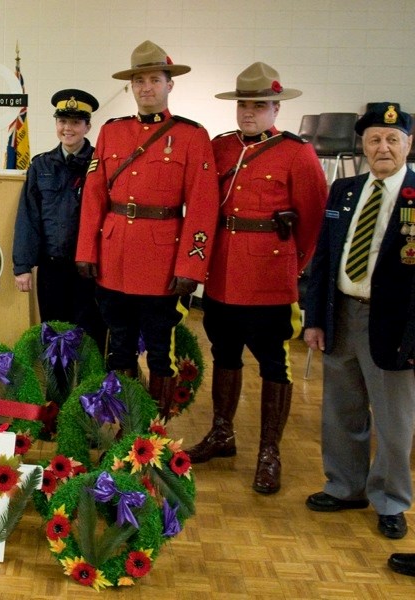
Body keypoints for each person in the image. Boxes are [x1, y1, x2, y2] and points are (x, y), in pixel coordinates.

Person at [185, 63, 327, 494]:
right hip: (223, 271)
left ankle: (270, 450)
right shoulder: (221, 147)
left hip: (269, 274)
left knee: (273, 362)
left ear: (275, 108)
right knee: (224, 353)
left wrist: (293, 266)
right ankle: (223, 433)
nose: (249, 113)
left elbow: (314, 219)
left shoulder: (296, 153)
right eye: (244, 104)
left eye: (259, 106)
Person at [75, 40, 219, 418]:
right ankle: (121, 425)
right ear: (131, 87)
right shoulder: (112, 131)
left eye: (155, 79)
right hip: (113, 256)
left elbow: (203, 208)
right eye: (139, 81)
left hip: (162, 262)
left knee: (160, 349)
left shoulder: (191, 136)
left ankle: (154, 431)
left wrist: (191, 266)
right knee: (118, 344)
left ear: (169, 84)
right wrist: (87, 251)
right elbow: (93, 197)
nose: (146, 88)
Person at [304, 103, 415, 540]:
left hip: (397, 325)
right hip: (342, 314)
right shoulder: (344, 190)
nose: (382, 147)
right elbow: (326, 256)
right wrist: (314, 319)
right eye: (374, 139)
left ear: (408, 144)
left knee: (394, 421)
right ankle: (346, 487)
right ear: (363, 145)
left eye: (392, 139)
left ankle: (391, 500)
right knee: (341, 411)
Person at [13, 89, 106, 351]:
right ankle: (57, 390)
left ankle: (90, 390)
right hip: (51, 268)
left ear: (88, 126)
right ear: (56, 124)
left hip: (88, 271)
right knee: (53, 336)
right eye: (63, 121)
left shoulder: (102, 164)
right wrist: (22, 265)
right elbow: (28, 216)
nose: (68, 128)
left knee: (89, 336)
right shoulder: (41, 165)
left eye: (76, 122)